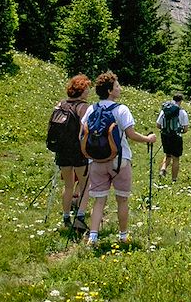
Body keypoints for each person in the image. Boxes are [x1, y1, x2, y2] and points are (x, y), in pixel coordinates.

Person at [83, 71, 156, 245]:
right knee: (122, 199)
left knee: (99, 200)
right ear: (109, 90)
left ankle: (93, 237)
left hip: (96, 161)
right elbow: (130, 134)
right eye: (116, 86)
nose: (120, 88)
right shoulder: (121, 109)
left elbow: (83, 132)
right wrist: (148, 138)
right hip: (119, 160)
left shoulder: (91, 108)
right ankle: (123, 236)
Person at [54, 74, 91, 233]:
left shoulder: (60, 104)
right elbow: (86, 131)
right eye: (87, 88)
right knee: (85, 185)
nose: (89, 91)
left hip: (62, 151)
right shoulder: (84, 107)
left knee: (68, 185)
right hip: (78, 151)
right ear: (81, 91)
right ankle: (80, 217)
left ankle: (65, 216)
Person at [156, 93, 189, 182]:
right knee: (176, 158)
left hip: (165, 135)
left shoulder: (164, 110)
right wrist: (179, 130)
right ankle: (174, 179)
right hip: (176, 137)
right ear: (181, 101)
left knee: (167, 155)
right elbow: (185, 129)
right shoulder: (182, 112)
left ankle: (163, 169)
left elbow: (158, 125)